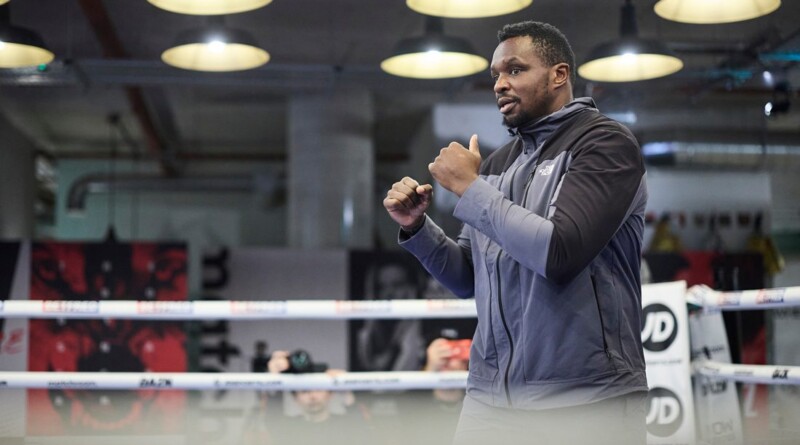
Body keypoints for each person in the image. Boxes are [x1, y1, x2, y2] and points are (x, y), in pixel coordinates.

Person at [383, 20, 648, 444]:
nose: (500, 84)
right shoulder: (496, 164)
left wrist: (470, 188)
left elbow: (560, 253)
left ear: (559, 75)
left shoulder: (605, 144)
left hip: (586, 399)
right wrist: (417, 227)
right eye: (495, 75)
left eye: (515, 70)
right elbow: (468, 277)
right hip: (490, 400)